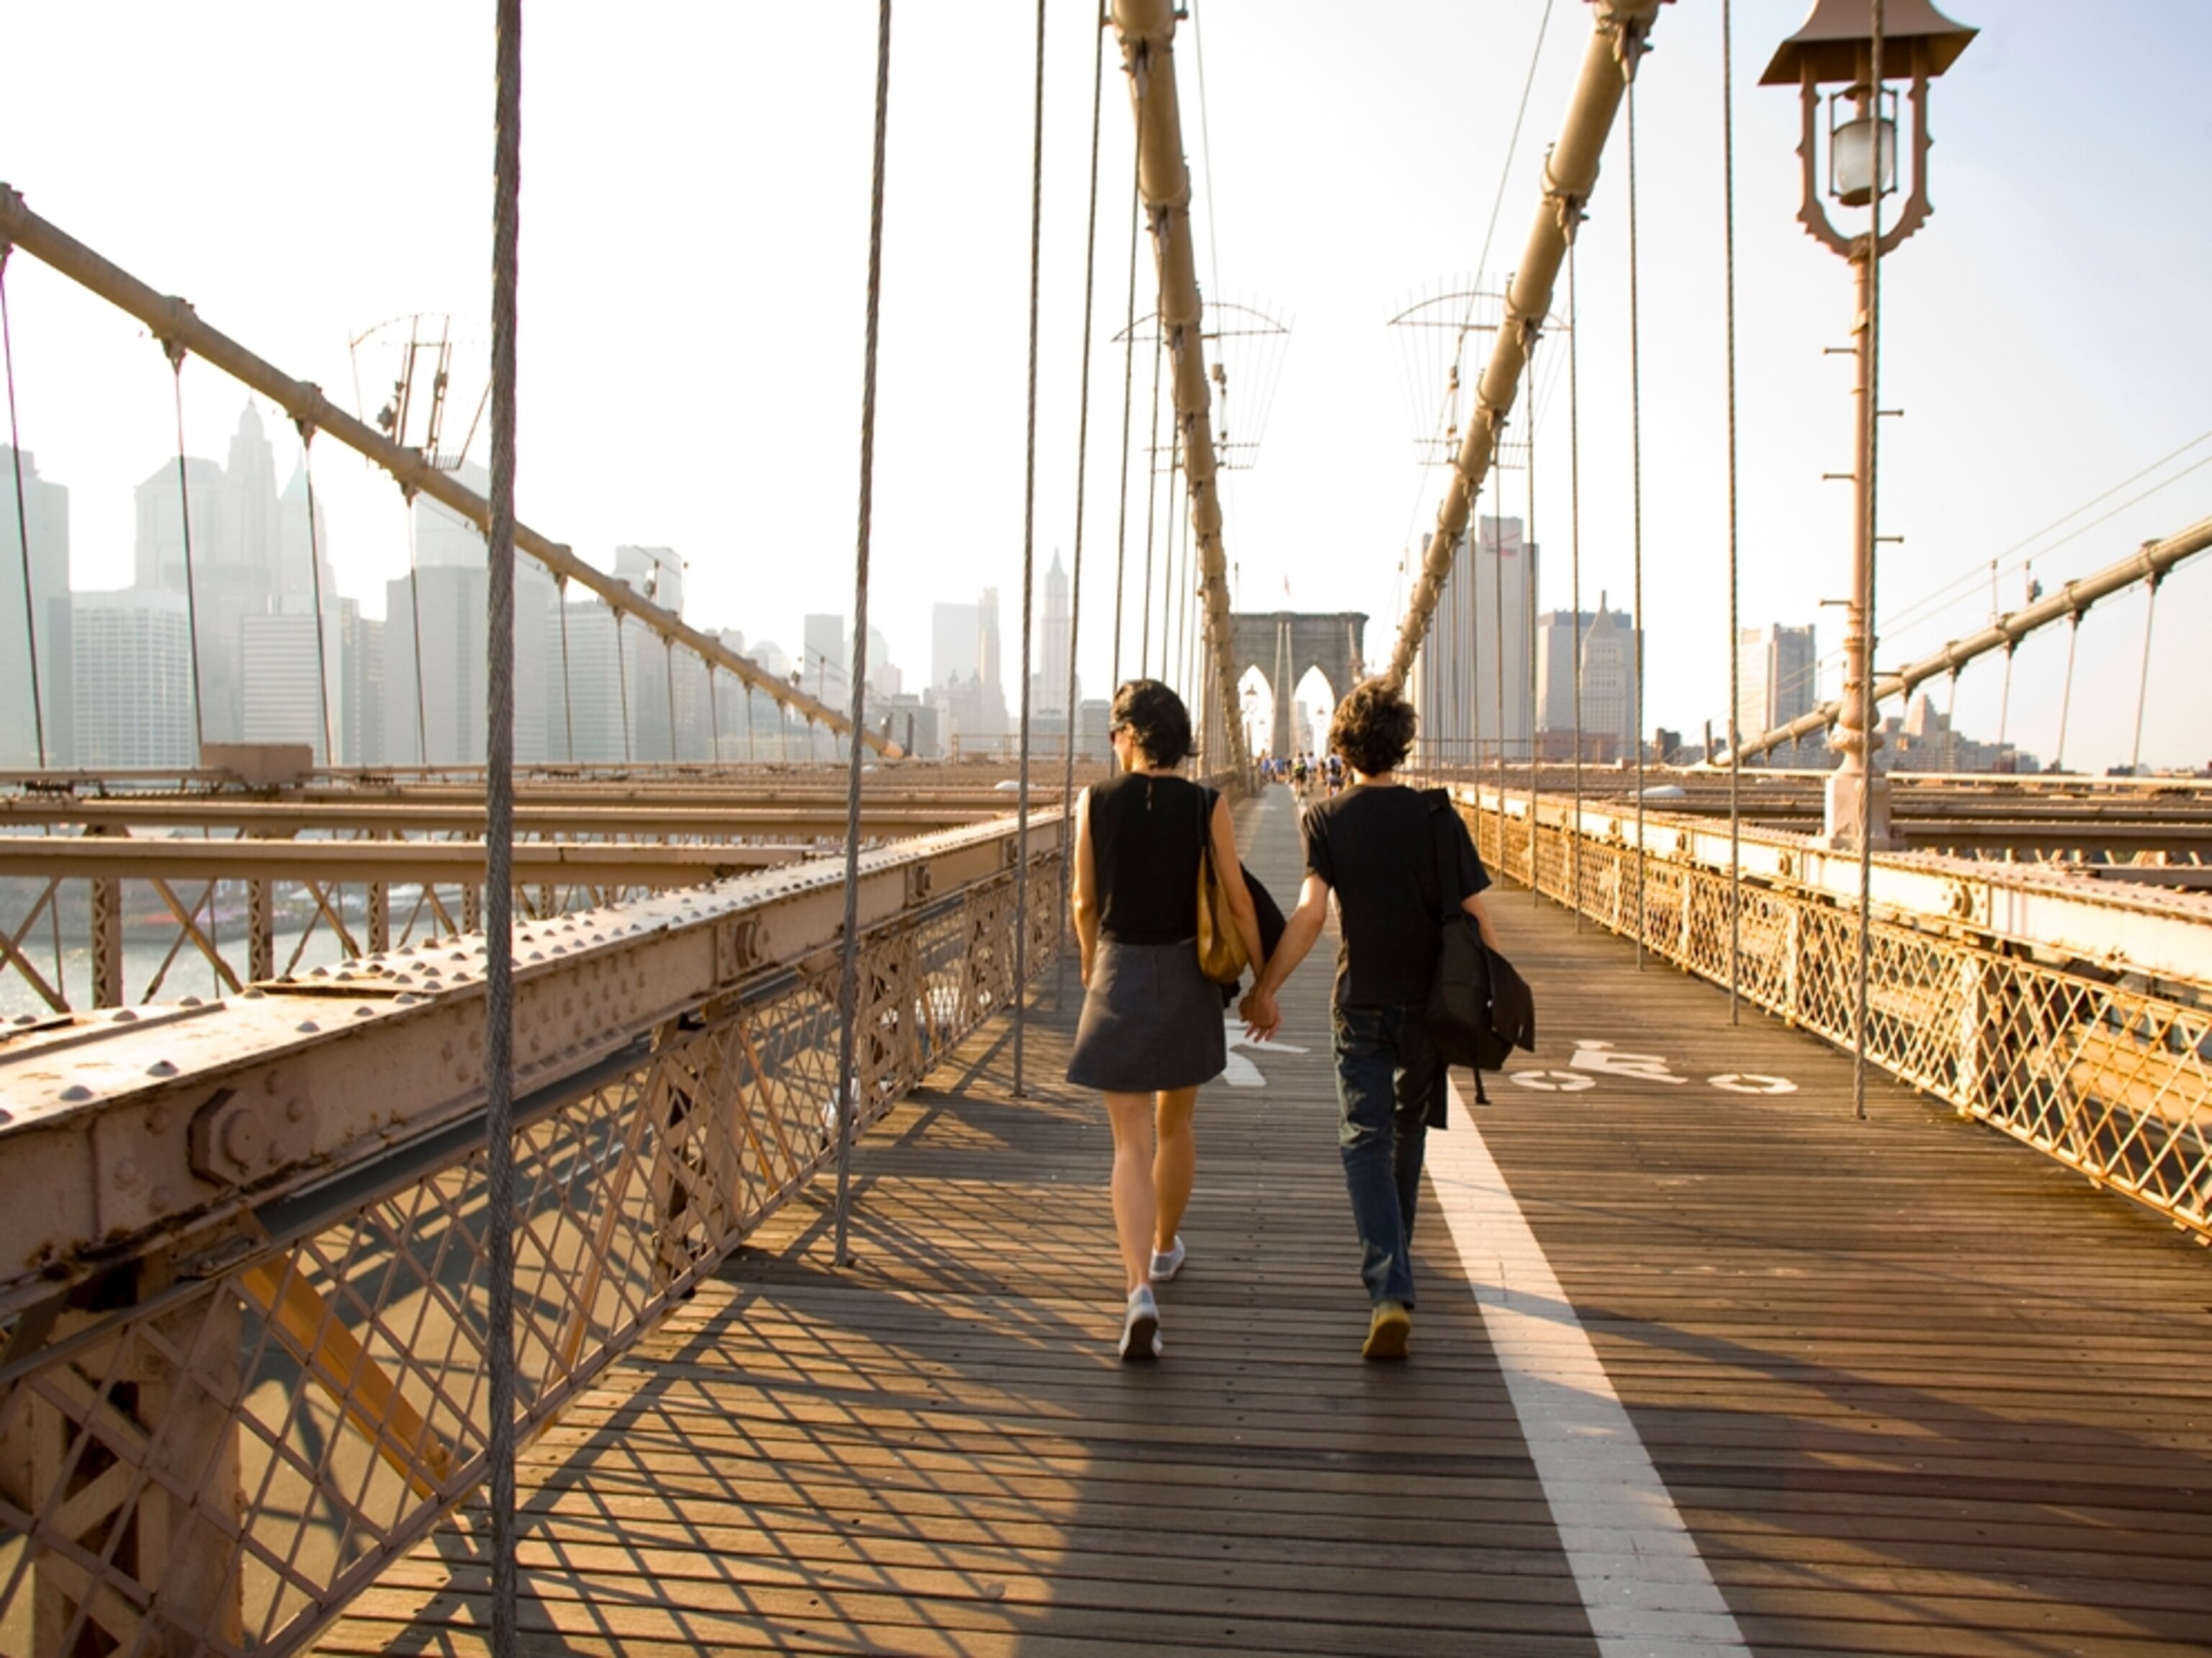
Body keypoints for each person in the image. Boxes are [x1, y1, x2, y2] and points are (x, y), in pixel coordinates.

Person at [1241, 678, 1498, 1361]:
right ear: (1403, 744)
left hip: (1361, 1000)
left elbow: (1310, 916)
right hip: (1430, 1006)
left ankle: (1388, 1289)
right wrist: (1492, 1000)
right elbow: (1478, 919)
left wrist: (1266, 986)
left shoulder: (1325, 820)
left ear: (1341, 745)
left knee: (1363, 1140)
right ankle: (1396, 1271)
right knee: (1408, 1132)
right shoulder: (1439, 818)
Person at [1070, 679, 1267, 1361]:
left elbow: (1082, 903)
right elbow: (1238, 901)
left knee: (1128, 1140)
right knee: (1174, 1123)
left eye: (1113, 734)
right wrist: (1263, 985)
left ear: (1127, 735)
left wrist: (1094, 968)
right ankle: (1162, 1252)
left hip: (1119, 968)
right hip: (1186, 973)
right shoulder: (1206, 805)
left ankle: (1137, 1294)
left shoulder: (1093, 802)